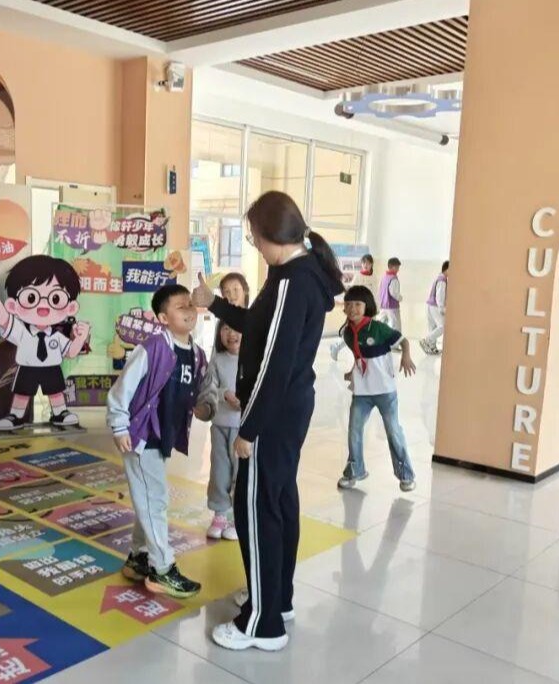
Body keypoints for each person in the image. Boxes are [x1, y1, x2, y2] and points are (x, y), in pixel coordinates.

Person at [192, 190, 343, 652]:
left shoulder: (292, 283)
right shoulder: (295, 274)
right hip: (287, 407)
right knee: (278, 500)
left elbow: (275, 364)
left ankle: (261, 622)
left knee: (256, 508)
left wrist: (249, 429)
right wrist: (214, 303)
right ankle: (277, 597)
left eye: (256, 238)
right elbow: (260, 328)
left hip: (274, 413)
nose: (255, 246)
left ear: (274, 235)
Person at [107, 284, 215, 599]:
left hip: (163, 435)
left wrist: (206, 408)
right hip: (141, 436)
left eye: (190, 305)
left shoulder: (196, 353)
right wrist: (119, 425)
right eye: (180, 306)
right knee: (155, 500)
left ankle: (138, 557)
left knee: (149, 497)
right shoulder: (152, 348)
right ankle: (162, 568)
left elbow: (200, 393)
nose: (188, 310)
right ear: (163, 318)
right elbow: (122, 389)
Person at [0, 256, 91, 430]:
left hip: (51, 368)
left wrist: (80, 338)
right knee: (22, 393)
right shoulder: (21, 331)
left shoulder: (57, 336)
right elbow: (3, 318)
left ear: (71, 308)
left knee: (56, 391)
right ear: (13, 305)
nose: (43, 306)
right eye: (31, 297)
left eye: (55, 298)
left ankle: (60, 412)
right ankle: (16, 416)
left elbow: (71, 352)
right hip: (27, 368)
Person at [337, 286, 417, 492]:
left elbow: (403, 341)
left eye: (357, 304)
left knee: (393, 431)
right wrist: (352, 372)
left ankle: (406, 475)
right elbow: (359, 356)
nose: (352, 308)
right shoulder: (347, 333)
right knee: (354, 430)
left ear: (367, 307)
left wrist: (406, 356)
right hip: (362, 393)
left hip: (384, 391)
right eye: (348, 304)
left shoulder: (379, 328)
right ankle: (355, 470)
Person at [204, 322, 242, 541]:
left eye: (236, 328)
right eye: (226, 328)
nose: (231, 333)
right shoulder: (217, 359)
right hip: (219, 426)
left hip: (243, 429)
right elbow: (209, 387)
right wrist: (224, 393)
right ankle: (220, 515)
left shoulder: (254, 359)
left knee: (240, 473)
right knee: (219, 472)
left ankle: (237, 517)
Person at [330, 254, 379, 360]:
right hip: (358, 311)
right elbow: (351, 293)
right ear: (361, 264)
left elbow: (376, 295)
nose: (366, 265)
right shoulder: (358, 277)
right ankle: (336, 346)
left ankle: (364, 356)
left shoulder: (374, 278)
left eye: (368, 263)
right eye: (364, 262)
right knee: (353, 333)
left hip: (370, 310)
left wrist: (376, 309)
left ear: (371, 264)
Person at [420, 261, 449, 355]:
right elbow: (440, 295)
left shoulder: (438, 277)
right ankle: (426, 340)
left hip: (430, 305)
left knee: (432, 327)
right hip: (435, 306)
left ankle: (432, 347)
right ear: (447, 269)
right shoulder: (442, 280)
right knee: (442, 326)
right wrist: (441, 308)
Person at [378, 258, 404, 332]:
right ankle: (395, 340)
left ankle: (380, 338)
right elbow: (394, 293)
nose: (398, 270)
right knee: (395, 327)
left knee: (381, 325)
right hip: (392, 307)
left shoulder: (384, 277)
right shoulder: (393, 279)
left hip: (383, 305)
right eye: (397, 267)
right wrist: (400, 298)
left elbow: (380, 290)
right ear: (393, 267)